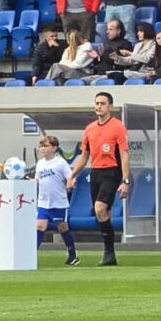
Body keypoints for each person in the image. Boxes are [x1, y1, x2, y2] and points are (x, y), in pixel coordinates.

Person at [66, 91, 129, 266]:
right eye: (97, 103)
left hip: (112, 171)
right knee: (103, 213)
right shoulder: (90, 129)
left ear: (110, 106)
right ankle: (110, 254)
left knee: (99, 208)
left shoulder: (118, 126)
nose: (98, 106)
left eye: (102, 103)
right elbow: (85, 155)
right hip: (96, 172)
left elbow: (124, 155)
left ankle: (109, 251)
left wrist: (125, 181)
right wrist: (72, 175)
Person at [32, 134, 78, 266]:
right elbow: (37, 180)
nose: (42, 149)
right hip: (43, 202)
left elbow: (70, 177)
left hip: (58, 202)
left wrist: (71, 182)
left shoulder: (60, 163)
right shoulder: (40, 164)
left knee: (62, 228)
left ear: (54, 148)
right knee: (40, 226)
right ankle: (31, 255)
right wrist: (30, 182)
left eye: (45, 146)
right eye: (41, 146)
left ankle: (72, 255)